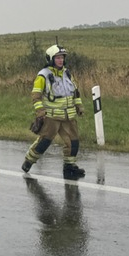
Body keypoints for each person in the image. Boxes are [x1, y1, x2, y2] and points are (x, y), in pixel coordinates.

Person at [21, 44, 86, 179]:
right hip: (52, 117)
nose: (61, 60)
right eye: (57, 58)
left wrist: (79, 106)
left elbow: (75, 92)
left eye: (62, 57)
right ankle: (29, 161)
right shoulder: (43, 75)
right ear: (51, 59)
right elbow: (36, 95)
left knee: (73, 142)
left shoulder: (67, 73)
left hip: (69, 116)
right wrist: (40, 110)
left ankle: (69, 167)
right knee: (44, 142)